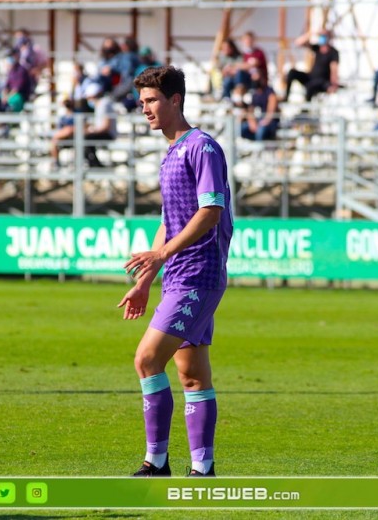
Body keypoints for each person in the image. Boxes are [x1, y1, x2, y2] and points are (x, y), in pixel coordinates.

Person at [119, 65, 233, 477]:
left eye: (151, 100)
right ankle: (202, 468)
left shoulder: (201, 147)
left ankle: (157, 461)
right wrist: (147, 278)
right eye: (143, 101)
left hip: (198, 274)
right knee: (192, 374)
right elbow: (171, 218)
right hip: (179, 275)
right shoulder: (172, 152)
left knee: (147, 359)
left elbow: (210, 211)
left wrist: (162, 255)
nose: (144, 108)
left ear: (175, 100)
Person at [284, 29, 340, 103]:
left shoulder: (333, 52)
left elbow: (334, 69)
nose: (322, 38)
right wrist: (312, 32)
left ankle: (306, 109)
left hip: (322, 81)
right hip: (311, 78)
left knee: (311, 86)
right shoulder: (317, 48)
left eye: (324, 36)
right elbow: (298, 43)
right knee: (292, 73)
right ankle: (286, 97)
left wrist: (333, 84)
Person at [240, 75, 279, 141]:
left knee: (260, 130)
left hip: (268, 121)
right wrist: (252, 122)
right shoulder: (254, 94)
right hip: (257, 120)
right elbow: (250, 110)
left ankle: (258, 149)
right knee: (242, 127)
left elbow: (271, 111)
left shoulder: (269, 91)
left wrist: (264, 121)